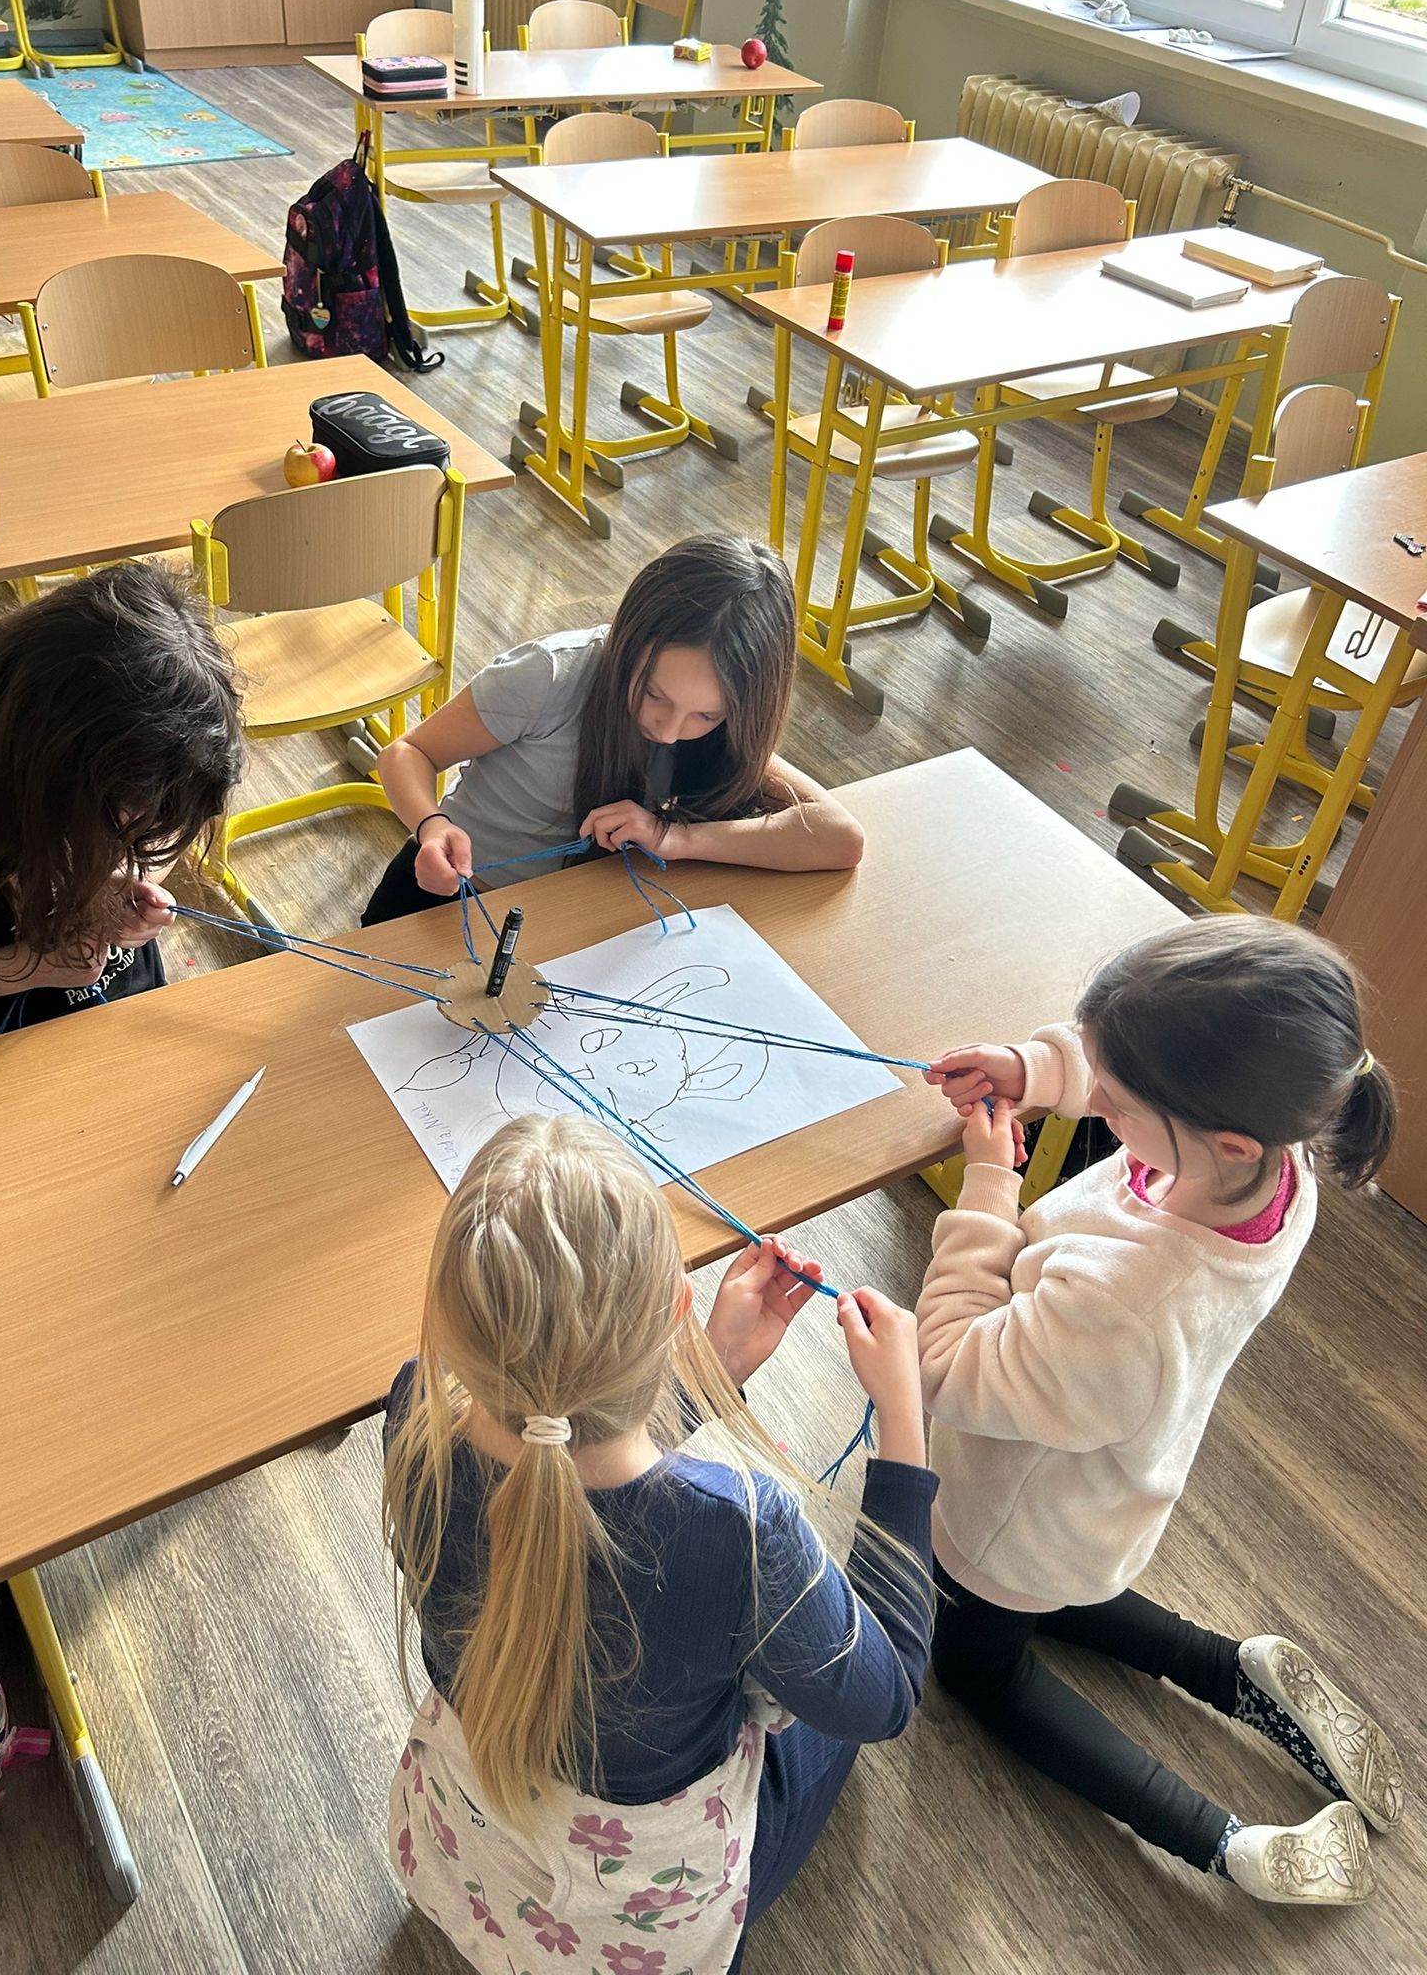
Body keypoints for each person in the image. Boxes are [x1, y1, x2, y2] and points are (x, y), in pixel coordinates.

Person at [918, 914, 1403, 1905]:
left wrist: (988, 1190)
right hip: (1104, 1484)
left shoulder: (1131, 1301)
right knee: (1064, 1588)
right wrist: (1033, 1067)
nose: (1096, 1104)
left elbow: (948, 1366)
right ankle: (1226, 1667)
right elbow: (1130, 1058)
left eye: (1118, 1101)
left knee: (982, 1663)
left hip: (1013, 1504)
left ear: (1221, 1137)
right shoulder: (1274, 1162)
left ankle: (1224, 1843)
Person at [382, 1114, 933, 1973]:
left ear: (451, 1325)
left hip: (469, 1854)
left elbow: (559, 1464)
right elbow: (887, 1694)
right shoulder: (742, 1533)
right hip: (645, 1933)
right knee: (829, 1713)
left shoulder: (414, 1413)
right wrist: (905, 1420)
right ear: (679, 1307)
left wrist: (713, 1368)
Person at [361, 533, 862, 924]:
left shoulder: (733, 723)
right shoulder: (550, 676)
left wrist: (677, 839)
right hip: (446, 903)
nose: (670, 731)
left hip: (579, 923)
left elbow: (838, 837)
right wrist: (432, 826)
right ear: (629, 642)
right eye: (655, 694)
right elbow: (407, 752)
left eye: (707, 716)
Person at [0, 561, 242, 1054]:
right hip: (0, 1062)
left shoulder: (121, 769)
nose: (133, 837)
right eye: (123, 818)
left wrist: (129, 883)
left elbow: (167, 827)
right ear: (60, 768)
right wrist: (27, 966)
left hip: (131, 1018)